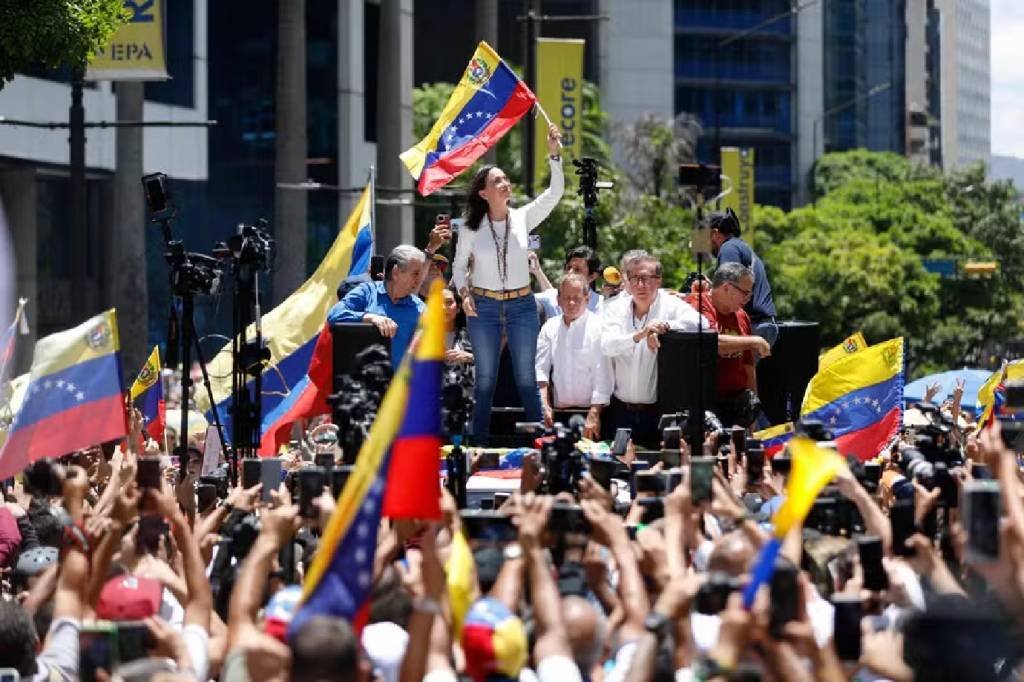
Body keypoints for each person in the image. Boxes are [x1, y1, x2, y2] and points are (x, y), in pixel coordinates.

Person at [452, 123, 564, 443]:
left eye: (505, 178)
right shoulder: (471, 228)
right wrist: (463, 294)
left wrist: (553, 155)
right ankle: (478, 446)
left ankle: (540, 445)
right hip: (484, 305)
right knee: (485, 380)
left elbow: (555, 194)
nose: (505, 183)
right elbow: (459, 267)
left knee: (526, 379)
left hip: (522, 305)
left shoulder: (524, 216)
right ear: (483, 193)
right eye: (496, 180)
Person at [600, 254, 709, 446]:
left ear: (658, 280)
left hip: (655, 412)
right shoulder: (615, 308)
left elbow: (702, 322)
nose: (640, 285)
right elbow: (608, 345)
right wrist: (641, 334)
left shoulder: (670, 304)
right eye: (635, 279)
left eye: (646, 279)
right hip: (618, 410)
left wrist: (666, 326)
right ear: (627, 281)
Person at [684, 262, 771, 426]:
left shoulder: (741, 315)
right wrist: (754, 341)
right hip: (705, 407)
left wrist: (752, 415)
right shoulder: (697, 306)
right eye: (744, 293)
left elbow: (748, 366)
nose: (748, 298)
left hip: (736, 406)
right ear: (726, 287)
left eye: (750, 294)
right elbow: (710, 342)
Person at [535, 274, 612, 439]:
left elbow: (603, 374)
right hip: (557, 413)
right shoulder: (550, 327)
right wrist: (544, 403)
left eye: (576, 298)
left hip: (592, 413)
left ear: (587, 298)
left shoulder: (599, 327)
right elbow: (541, 369)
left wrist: (594, 414)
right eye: (567, 298)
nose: (571, 303)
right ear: (558, 299)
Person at [327, 244, 427, 368]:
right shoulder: (367, 292)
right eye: (415, 274)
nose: (419, 280)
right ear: (396, 272)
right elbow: (334, 315)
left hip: (400, 386)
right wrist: (370, 318)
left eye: (420, 274)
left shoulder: (421, 310)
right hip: (363, 383)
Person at [708, 208, 779, 347]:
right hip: (761, 324)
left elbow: (727, 290)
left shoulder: (729, 248)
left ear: (715, 234)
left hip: (754, 325)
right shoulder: (739, 246)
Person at [535, 245, 603, 319]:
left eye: (577, 269)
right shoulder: (551, 298)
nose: (570, 272)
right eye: (568, 268)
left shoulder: (602, 306)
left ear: (592, 276)